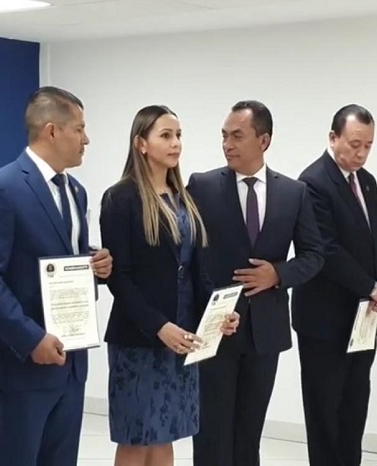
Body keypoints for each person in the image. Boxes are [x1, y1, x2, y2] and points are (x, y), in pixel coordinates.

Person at [0, 86, 113, 466]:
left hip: (72, 360)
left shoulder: (76, 191)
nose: (86, 139)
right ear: (51, 131)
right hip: (24, 364)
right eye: (79, 129)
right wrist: (31, 339)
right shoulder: (0, 188)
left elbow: (63, 254)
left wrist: (95, 263)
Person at [100, 105, 240, 466]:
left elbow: (194, 270)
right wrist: (159, 326)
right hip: (140, 338)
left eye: (178, 135)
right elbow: (119, 278)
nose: (176, 143)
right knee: (137, 438)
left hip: (184, 336)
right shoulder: (121, 198)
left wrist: (217, 313)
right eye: (165, 135)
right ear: (141, 143)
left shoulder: (184, 198)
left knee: (167, 435)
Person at [188, 100, 324, 466]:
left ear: (263, 140)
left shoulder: (294, 192)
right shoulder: (202, 186)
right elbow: (188, 254)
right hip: (216, 328)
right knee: (212, 436)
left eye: (237, 136)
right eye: (224, 136)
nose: (227, 144)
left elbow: (314, 254)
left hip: (266, 330)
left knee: (249, 435)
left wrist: (279, 274)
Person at [292, 104, 377, 466]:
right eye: (355, 144)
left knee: (354, 406)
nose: (362, 153)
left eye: (368, 145)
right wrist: (372, 287)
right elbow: (327, 250)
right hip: (324, 319)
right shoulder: (313, 182)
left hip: (362, 317)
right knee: (325, 411)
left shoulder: (367, 181)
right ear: (333, 137)